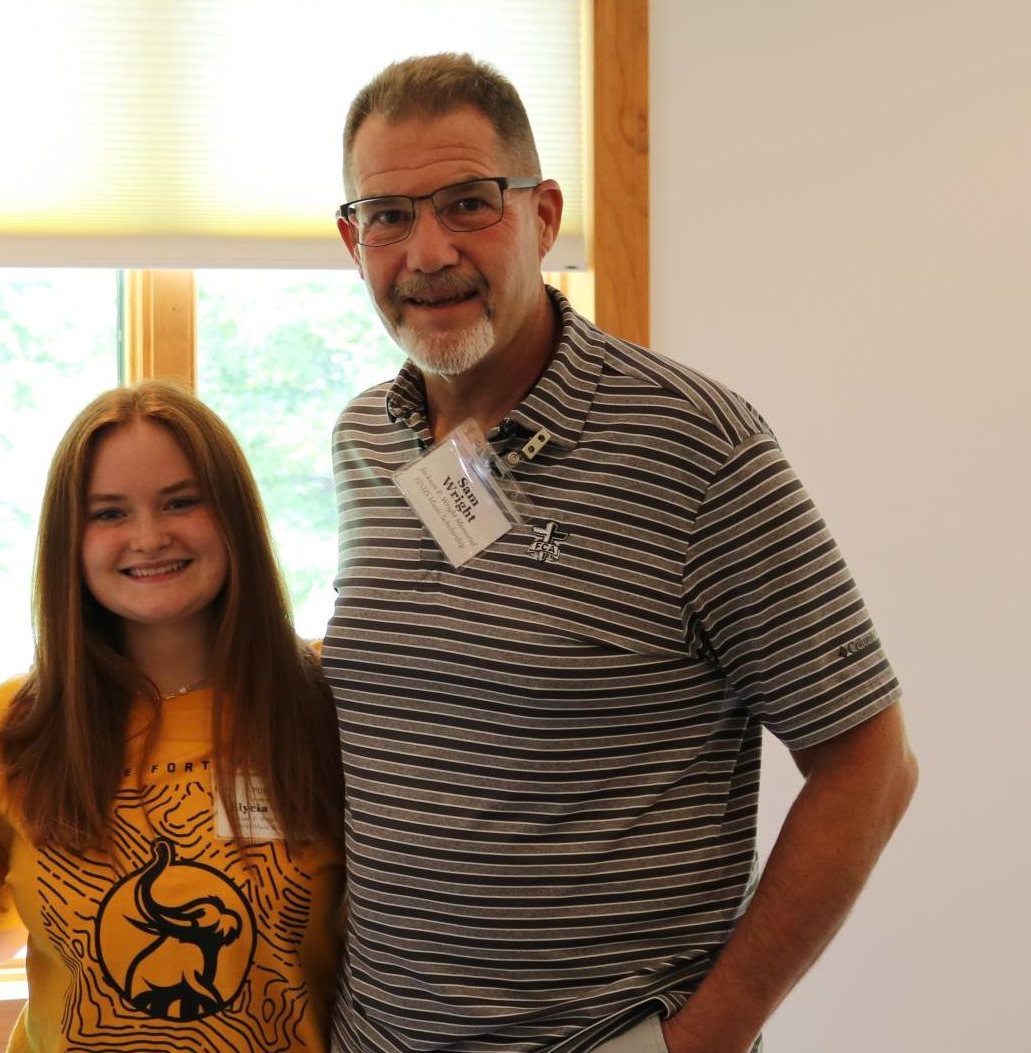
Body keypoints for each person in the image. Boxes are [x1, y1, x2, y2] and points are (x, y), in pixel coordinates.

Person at [324, 53, 918, 1053]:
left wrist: (712, 1033)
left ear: (542, 217)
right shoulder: (364, 441)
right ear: (352, 238)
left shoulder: (698, 449)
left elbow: (870, 764)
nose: (425, 252)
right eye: (386, 215)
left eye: (468, 203)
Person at [0, 382, 343, 1052]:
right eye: (109, 513)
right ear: (69, 539)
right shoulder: (16, 725)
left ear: (232, 515)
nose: (149, 537)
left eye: (180, 501)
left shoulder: (324, 706)